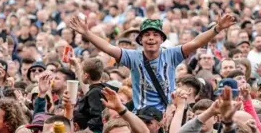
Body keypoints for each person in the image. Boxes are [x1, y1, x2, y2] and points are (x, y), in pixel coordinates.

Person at [69, 14, 236, 112]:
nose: (151, 38)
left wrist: (217, 28)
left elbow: (196, 43)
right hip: (141, 116)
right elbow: (107, 48)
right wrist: (87, 33)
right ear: (140, 39)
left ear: (162, 39)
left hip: (167, 114)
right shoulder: (133, 57)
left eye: (155, 35)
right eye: (147, 34)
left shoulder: (172, 55)